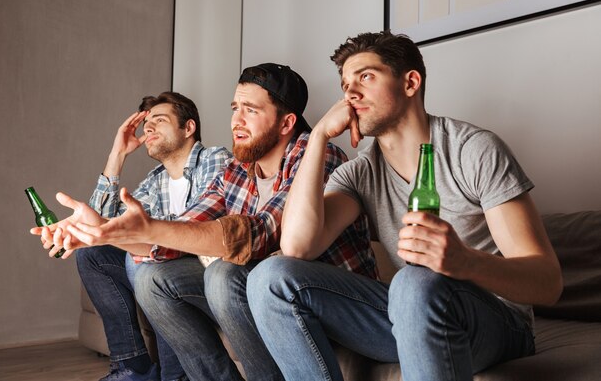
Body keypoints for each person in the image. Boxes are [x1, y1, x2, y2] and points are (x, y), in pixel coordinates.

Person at [246, 31, 563, 381]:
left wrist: (465, 261)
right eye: (345, 84)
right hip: (412, 312)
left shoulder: (474, 151)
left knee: (413, 282)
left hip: (497, 322)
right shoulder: (360, 173)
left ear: (410, 82)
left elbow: (547, 283)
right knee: (268, 280)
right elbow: (297, 246)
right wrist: (318, 135)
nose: (351, 93)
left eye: (366, 77)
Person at [34, 64, 377, 381]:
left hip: (326, 300)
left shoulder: (316, 155)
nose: (236, 121)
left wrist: (147, 229)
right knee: (154, 277)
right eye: (234, 109)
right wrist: (101, 233)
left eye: (251, 110)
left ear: (286, 123)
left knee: (223, 274)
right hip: (259, 291)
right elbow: (180, 231)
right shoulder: (238, 170)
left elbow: (261, 232)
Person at [57, 92, 230, 381]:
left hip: (203, 273)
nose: (148, 128)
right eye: (146, 123)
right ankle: (132, 367)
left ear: (188, 128)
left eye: (159, 121)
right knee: (93, 254)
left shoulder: (215, 159)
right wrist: (118, 155)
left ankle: (173, 375)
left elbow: (194, 230)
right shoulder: (156, 179)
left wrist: (143, 236)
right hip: (160, 266)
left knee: (144, 259)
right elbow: (104, 228)